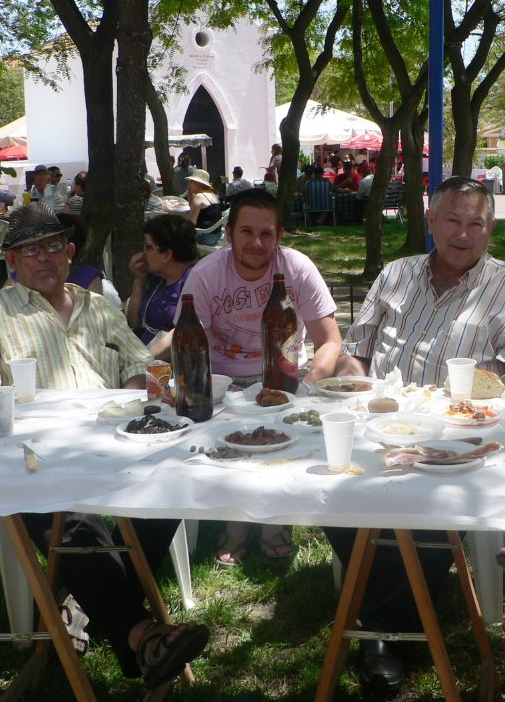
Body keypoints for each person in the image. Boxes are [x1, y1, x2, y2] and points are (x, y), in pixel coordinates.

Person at [0, 202, 209, 687]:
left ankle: (93, 617)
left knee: (174, 489)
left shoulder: (98, 309)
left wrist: (141, 384)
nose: (43, 258)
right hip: (36, 462)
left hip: (117, 449)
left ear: (68, 252)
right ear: (12, 261)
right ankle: (140, 637)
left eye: (51, 247)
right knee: (71, 520)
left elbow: (141, 368)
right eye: (29, 250)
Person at [330, 176, 505, 693]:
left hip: (455, 433)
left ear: (490, 229)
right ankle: (393, 603)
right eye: (452, 220)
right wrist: (347, 383)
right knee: (330, 490)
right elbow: (356, 350)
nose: (463, 233)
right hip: (379, 423)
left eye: (476, 223)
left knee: (435, 500)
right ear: (430, 220)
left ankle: (379, 631)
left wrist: (486, 387)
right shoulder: (395, 276)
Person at [180, 189, 343, 566]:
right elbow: (188, 344)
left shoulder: (297, 268)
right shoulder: (205, 275)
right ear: (229, 234)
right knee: (230, 438)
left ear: (279, 236)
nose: (256, 243)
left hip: (286, 378)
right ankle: (238, 525)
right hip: (224, 382)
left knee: (281, 438)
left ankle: (272, 523)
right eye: (246, 232)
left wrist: (307, 386)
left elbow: (330, 340)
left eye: (266, 233)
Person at [127, 214, 199, 359]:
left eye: (148, 247)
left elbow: (183, 333)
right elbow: (134, 321)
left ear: (166, 254)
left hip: (170, 363)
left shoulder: (194, 281)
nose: (143, 254)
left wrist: (140, 361)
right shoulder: (158, 278)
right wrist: (139, 278)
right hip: (143, 352)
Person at [186, 168, 224, 245]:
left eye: (192, 181)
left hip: (205, 236)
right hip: (217, 235)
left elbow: (191, 223)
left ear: (198, 183)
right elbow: (192, 206)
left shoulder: (199, 196)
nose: (189, 184)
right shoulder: (213, 195)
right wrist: (189, 191)